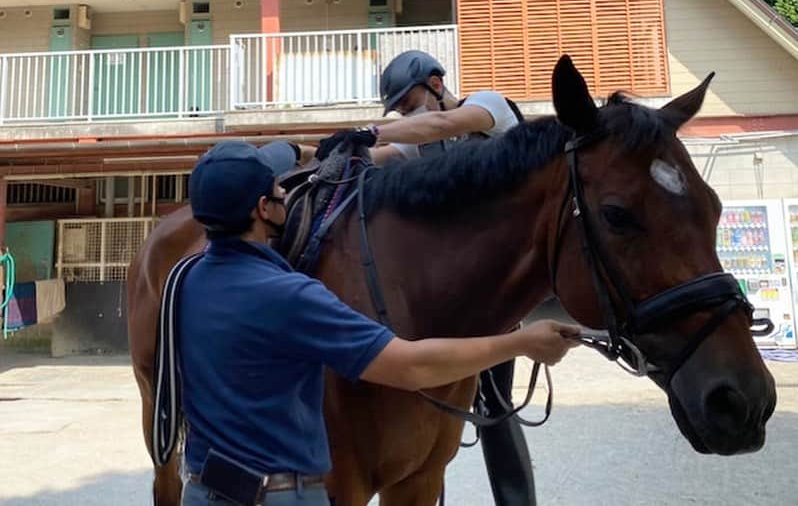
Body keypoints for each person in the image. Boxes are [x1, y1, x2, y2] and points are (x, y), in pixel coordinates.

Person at [178, 139, 579, 506]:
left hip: (201, 491)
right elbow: (410, 366)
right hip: (280, 497)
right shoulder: (290, 297)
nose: (285, 192)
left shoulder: (185, 281)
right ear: (263, 209)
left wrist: (347, 145)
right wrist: (522, 344)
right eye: (278, 189)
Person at [316, 50, 538, 506]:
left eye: (408, 101)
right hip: (455, 290)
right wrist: (320, 152)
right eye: (397, 109)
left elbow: (436, 126)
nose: (404, 112)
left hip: (501, 290)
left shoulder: (488, 108)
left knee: (496, 408)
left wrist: (369, 129)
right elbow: (378, 155)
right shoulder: (419, 141)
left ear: (437, 85)